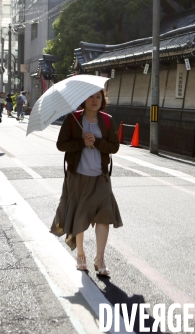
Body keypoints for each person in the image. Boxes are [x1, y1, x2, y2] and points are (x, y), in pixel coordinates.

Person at [50, 89, 122, 275]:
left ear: (103, 100)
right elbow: (61, 145)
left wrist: (96, 142)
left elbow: (114, 147)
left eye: (99, 97)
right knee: (79, 215)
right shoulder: (72, 120)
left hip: (101, 178)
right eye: (90, 96)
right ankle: (81, 256)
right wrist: (82, 142)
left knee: (104, 216)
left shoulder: (107, 120)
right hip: (78, 176)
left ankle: (100, 259)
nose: (95, 100)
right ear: (83, 99)